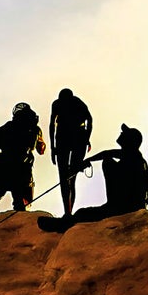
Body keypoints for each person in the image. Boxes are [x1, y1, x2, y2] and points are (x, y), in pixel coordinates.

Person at [39, 125, 148, 233]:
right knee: (82, 212)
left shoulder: (132, 161)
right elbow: (107, 153)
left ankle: (63, 225)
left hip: (123, 209)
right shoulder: (134, 157)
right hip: (126, 206)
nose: (121, 134)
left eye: (124, 134)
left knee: (83, 213)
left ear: (129, 141)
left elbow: (109, 158)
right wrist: (88, 161)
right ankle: (65, 222)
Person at [0, 102, 46, 215]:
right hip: (23, 170)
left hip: (4, 169)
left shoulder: (4, 129)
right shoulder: (35, 129)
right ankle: (20, 227)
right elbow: (41, 150)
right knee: (21, 205)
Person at [48, 87, 92, 216]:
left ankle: (68, 212)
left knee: (70, 176)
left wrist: (86, 138)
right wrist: (52, 148)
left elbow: (90, 120)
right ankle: (67, 212)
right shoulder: (57, 104)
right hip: (65, 139)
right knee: (65, 177)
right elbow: (52, 125)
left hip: (76, 138)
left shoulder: (77, 103)